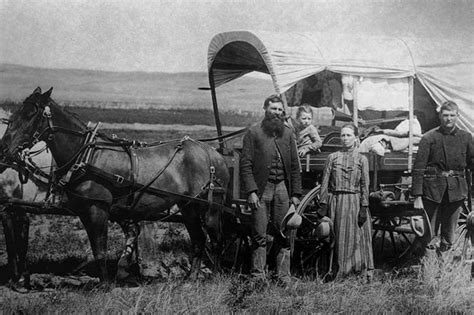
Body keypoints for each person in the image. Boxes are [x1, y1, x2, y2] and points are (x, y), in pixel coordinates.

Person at [240, 94, 302, 286]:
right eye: (273, 109)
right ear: (265, 109)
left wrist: (296, 194)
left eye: (280, 110)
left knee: (283, 234)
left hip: (282, 188)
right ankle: (258, 277)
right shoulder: (253, 132)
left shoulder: (288, 133)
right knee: (259, 234)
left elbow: (294, 166)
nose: (277, 113)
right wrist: (251, 191)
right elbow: (246, 164)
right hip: (261, 190)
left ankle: (283, 277)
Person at [412, 101, 474, 252]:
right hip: (433, 190)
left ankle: (444, 266)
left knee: (449, 233)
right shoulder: (429, 138)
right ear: (440, 116)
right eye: (445, 115)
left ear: (457, 116)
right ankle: (428, 266)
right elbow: (419, 168)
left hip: (456, 191)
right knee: (428, 232)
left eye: (452, 115)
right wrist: (417, 196)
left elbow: (472, 165)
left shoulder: (466, 137)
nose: (449, 119)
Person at [319, 123, 374, 279]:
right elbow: (324, 182)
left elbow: (365, 184)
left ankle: (357, 272)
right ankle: (337, 272)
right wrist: (323, 203)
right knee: (338, 237)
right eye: (342, 135)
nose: (345, 138)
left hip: (355, 202)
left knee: (356, 237)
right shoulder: (332, 157)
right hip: (337, 201)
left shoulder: (362, 159)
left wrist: (364, 206)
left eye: (348, 135)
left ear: (355, 138)